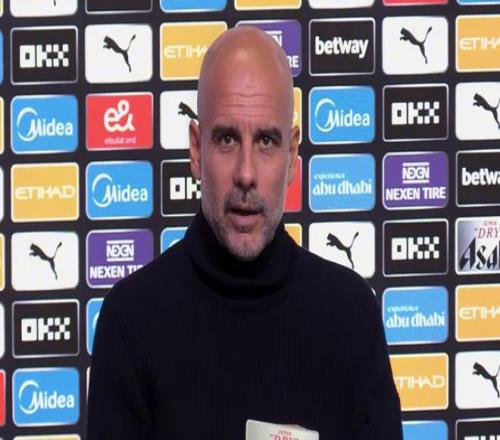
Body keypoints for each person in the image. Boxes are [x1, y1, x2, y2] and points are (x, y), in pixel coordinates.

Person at [87, 26, 402, 439]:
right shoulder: (130, 321)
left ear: (292, 154)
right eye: (227, 139)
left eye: (267, 141)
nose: (246, 173)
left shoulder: (351, 315)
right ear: (196, 150)